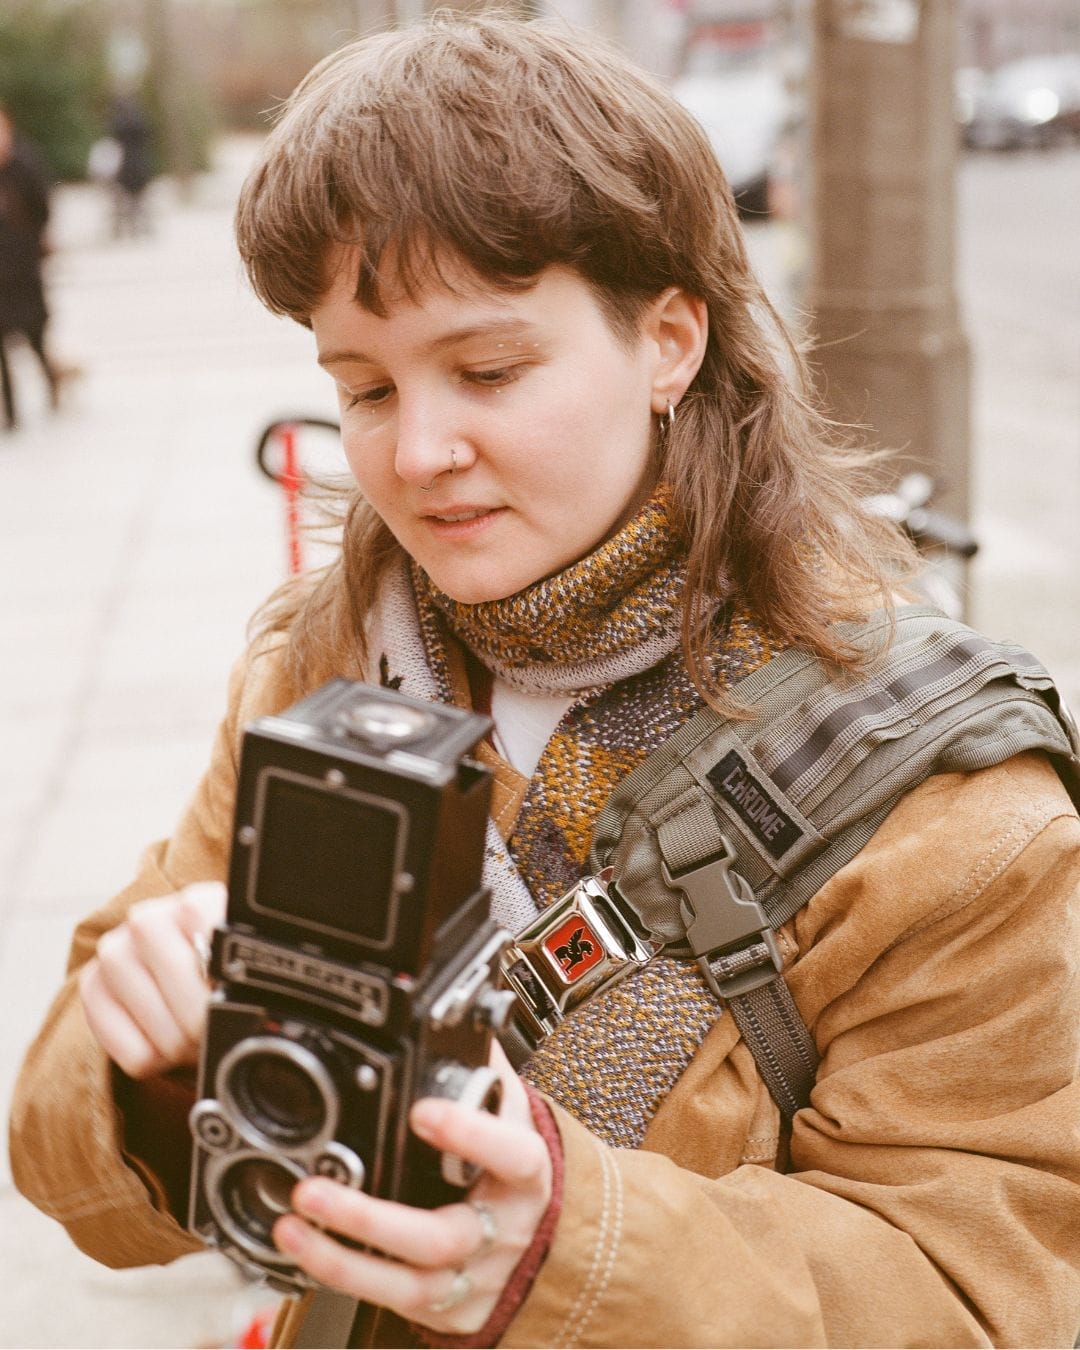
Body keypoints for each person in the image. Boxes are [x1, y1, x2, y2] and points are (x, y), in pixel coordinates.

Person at [9, 13, 1080, 1349]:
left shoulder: (948, 802)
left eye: (488, 368)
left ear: (669, 340)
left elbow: (988, 1296)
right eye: (366, 388)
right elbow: (63, 1166)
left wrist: (571, 1241)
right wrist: (152, 1066)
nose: (420, 452)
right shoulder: (326, 663)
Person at [0, 101, 60, 431]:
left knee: (35, 337)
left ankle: (51, 381)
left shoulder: (25, 165)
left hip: (23, 268)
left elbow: (43, 209)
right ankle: (11, 412)